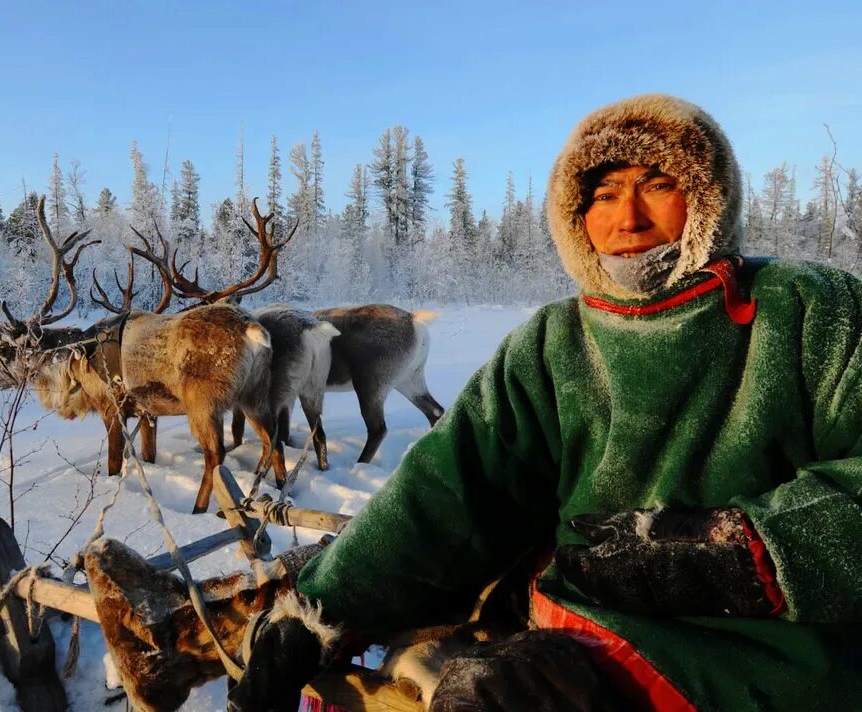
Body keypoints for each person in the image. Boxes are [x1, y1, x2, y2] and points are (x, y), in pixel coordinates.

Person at [227, 94, 862, 711]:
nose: (628, 218)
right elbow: (450, 492)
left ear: (708, 197)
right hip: (580, 637)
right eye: (604, 195)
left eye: (657, 183)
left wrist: (749, 553)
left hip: (767, 653)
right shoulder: (556, 342)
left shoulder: (808, 310)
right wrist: (317, 612)